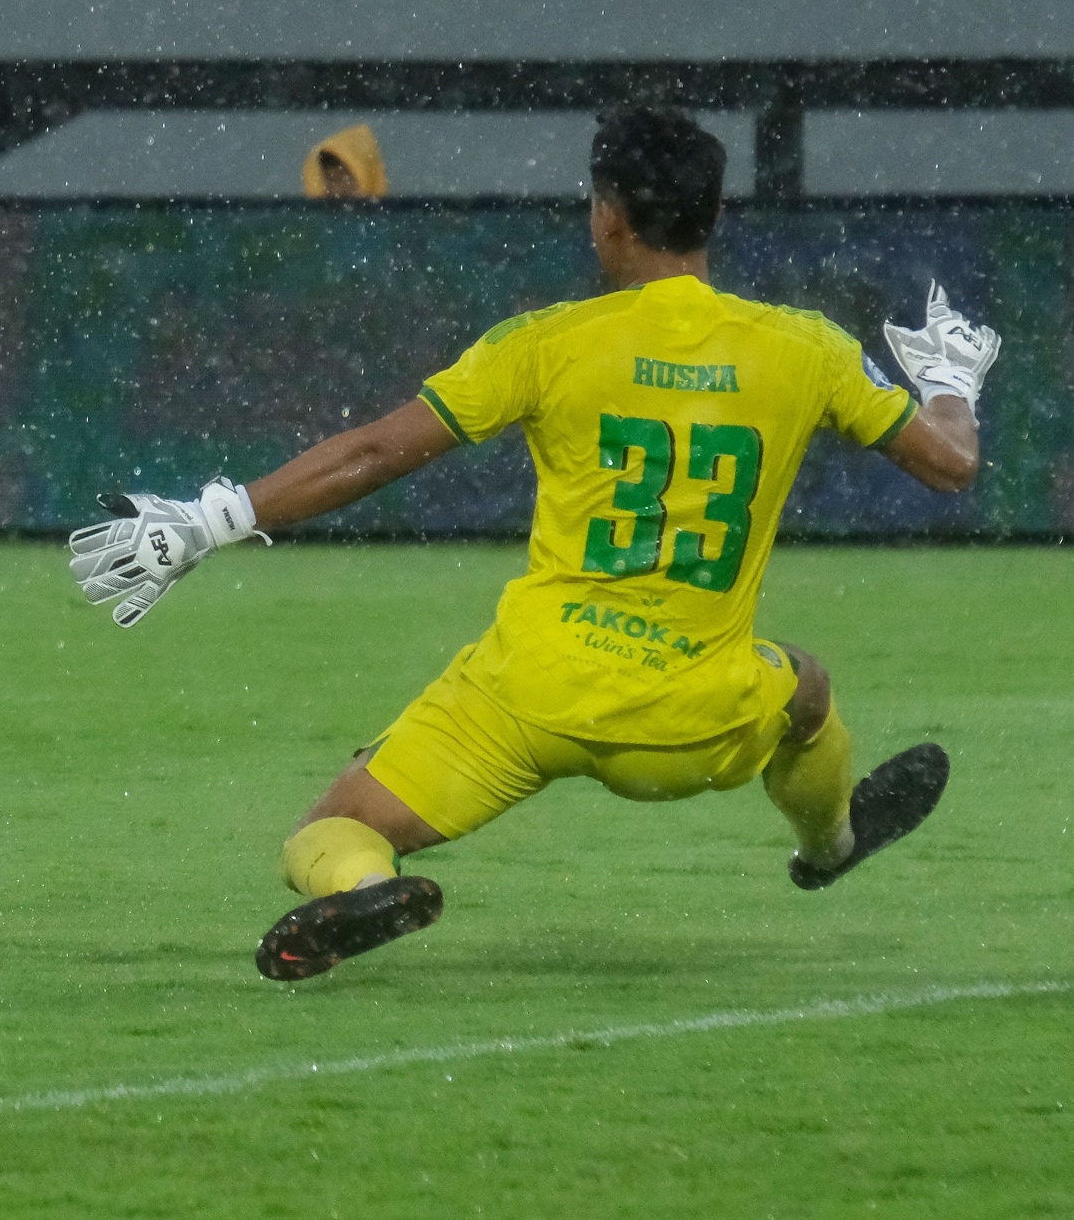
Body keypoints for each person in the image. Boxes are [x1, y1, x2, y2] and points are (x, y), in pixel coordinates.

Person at [69, 107, 999, 981]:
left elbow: (374, 453)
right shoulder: (808, 350)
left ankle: (367, 890)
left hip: (528, 696)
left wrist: (210, 521)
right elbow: (951, 465)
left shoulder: (548, 343)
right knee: (807, 689)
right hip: (688, 717)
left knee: (327, 830)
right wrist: (950, 379)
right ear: (714, 214)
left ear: (608, 218)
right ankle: (830, 846)